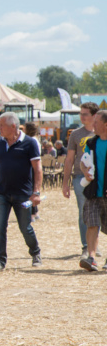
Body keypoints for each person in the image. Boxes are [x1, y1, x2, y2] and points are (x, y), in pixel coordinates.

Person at [0, 112, 43, 271]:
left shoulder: (30, 143)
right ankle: (0, 261)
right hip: (2, 193)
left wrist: (36, 192)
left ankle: (35, 252)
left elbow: (37, 169)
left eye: (1, 126)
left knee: (25, 227)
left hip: (23, 194)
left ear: (13, 126)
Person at [63, 102, 98, 262]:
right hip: (80, 177)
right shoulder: (76, 134)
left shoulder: (101, 133)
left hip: (99, 178)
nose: (81, 116)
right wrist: (65, 182)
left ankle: (94, 246)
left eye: (85, 114)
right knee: (84, 211)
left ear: (94, 116)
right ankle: (86, 246)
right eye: (81, 113)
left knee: (98, 212)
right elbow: (70, 159)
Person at [78, 109, 107, 271]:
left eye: (96, 122)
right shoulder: (91, 143)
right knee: (92, 224)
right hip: (93, 191)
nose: (92, 125)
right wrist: (84, 171)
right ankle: (91, 258)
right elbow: (84, 161)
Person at [23, 122, 43, 220]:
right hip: (33, 166)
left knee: (30, 190)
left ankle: (31, 213)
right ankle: (35, 212)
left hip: (31, 167)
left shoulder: (31, 141)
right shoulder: (36, 140)